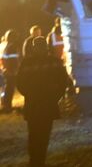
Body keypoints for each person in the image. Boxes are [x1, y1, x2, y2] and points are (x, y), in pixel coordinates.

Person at [17, 37, 72, 167]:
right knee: (43, 134)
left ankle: (35, 160)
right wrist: (55, 97)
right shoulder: (54, 62)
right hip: (47, 105)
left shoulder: (27, 63)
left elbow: (20, 84)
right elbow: (63, 82)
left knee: (34, 134)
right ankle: (39, 160)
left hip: (33, 105)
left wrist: (31, 94)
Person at [1, 29, 22, 112]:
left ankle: (5, 105)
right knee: (10, 89)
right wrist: (15, 70)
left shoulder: (4, 45)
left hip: (4, 70)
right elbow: (14, 60)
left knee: (6, 88)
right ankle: (7, 106)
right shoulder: (12, 46)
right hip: (10, 71)